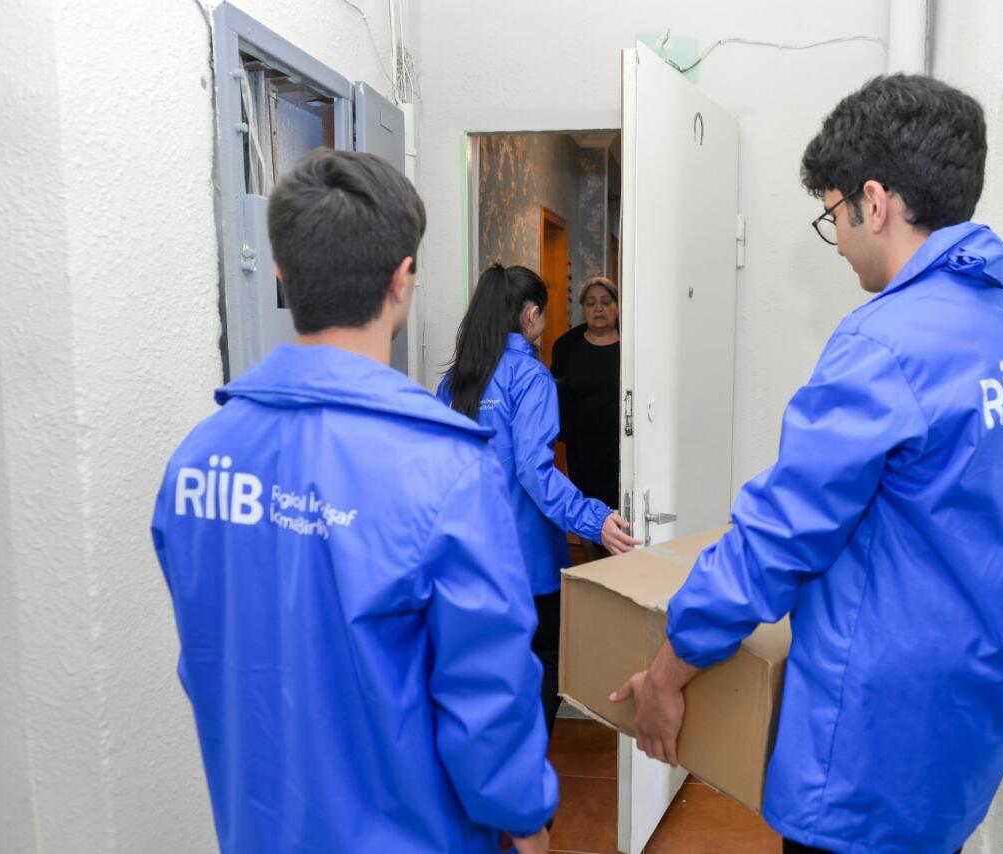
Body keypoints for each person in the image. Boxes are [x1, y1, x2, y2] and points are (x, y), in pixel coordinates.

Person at [612, 75, 1003, 854]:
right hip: (969, 724)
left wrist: (664, 677)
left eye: (834, 215)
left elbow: (777, 539)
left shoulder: (882, 345)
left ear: (875, 202)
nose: (838, 241)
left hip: (874, 747)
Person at [152, 150, 556, 854]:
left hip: (259, 826)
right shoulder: (448, 471)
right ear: (402, 279)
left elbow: (210, 661)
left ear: (282, 274)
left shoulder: (198, 459)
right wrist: (525, 818)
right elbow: (488, 698)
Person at [439, 264, 639, 735]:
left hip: (465, 560)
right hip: (525, 563)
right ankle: (523, 770)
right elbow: (534, 470)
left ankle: (487, 766)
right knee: (545, 661)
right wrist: (594, 518)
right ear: (531, 315)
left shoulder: (454, 381)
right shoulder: (530, 377)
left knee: (482, 675)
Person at [551, 277, 622, 559]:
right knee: (586, 504)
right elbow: (558, 396)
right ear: (582, 308)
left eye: (606, 302)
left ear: (618, 306)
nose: (598, 308)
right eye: (591, 303)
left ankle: (622, 564)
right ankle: (593, 565)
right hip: (583, 448)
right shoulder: (566, 346)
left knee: (620, 507)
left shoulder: (633, 341)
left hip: (621, 446)